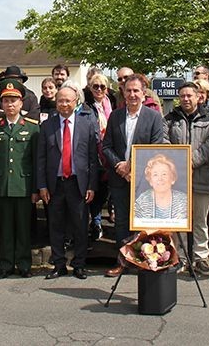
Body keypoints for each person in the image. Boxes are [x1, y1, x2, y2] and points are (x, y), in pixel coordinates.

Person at [102, 74, 166, 278]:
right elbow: (107, 146)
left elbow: (155, 147)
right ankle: (122, 261)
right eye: (128, 90)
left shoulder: (153, 117)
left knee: (143, 222)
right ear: (123, 92)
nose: (132, 94)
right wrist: (120, 166)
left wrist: (134, 167)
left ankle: (144, 260)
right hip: (119, 178)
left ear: (143, 93)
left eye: (136, 91)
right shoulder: (116, 116)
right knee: (121, 221)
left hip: (144, 179)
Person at [37, 85, 99, 280]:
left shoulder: (86, 123)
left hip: (78, 183)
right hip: (54, 184)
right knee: (55, 226)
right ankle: (59, 264)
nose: (63, 104)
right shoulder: (48, 125)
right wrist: (42, 186)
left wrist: (91, 185)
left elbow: (92, 158)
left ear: (76, 102)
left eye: (67, 101)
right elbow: (41, 158)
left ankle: (79, 264)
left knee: (80, 225)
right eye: (60, 100)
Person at [163, 81, 209, 275]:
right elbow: (164, 140)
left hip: (202, 177)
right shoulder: (170, 119)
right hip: (177, 178)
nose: (186, 99)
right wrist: (178, 162)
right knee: (178, 220)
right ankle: (179, 257)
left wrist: (189, 161)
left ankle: (200, 258)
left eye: (190, 95)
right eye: (183, 96)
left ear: (199, 97)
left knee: (199, 220)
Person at [0, 79, 39, 279]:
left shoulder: (32, 127)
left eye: (14, 100)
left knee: (24, 228)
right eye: (6, 101)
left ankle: (24, 265)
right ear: (1, 104)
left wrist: (35, 189)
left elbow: (35, 161)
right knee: (5, 229)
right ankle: (6, 265)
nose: (10, 105)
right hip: (3, 186)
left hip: (24, 186)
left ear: (21, 103)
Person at [85, 73, 114, 241]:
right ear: (90, 88)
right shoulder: (86, 106)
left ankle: (102, 219)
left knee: (106, 190)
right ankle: (95, 223)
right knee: (95, 189)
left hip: (109, 153)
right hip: (94, 153)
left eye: (102, 86)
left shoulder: (112, 104)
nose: (99, 89)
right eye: (95, 86)